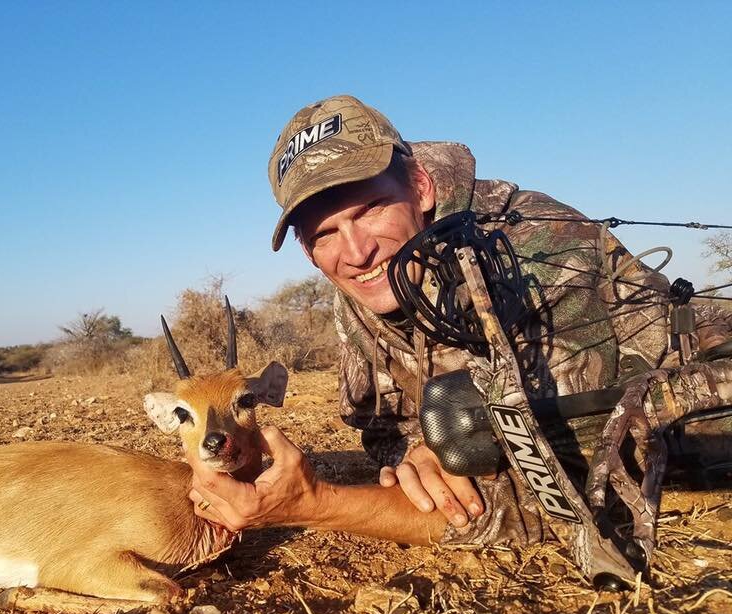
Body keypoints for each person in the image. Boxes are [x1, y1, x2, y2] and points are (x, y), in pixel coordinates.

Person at [188, 95, 732, 552]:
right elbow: (380, 426)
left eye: (371, 208)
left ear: (421, 188)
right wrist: (421, 449)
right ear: (308, 251)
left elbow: (583, 489)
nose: (356, 252)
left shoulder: (532, 255)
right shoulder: (358, 290)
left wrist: (314, 505)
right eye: (325, 233)